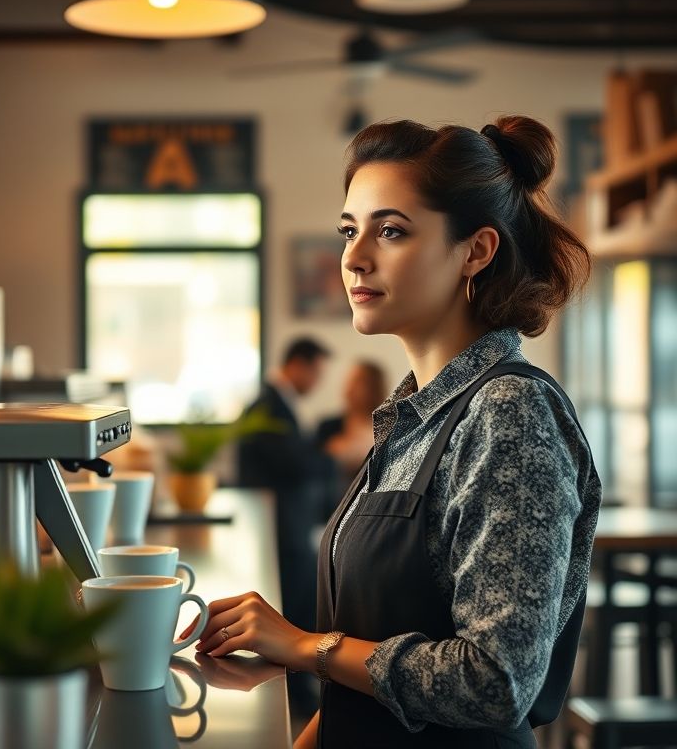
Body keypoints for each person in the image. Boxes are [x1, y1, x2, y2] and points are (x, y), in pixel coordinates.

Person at [181, 116, 602, 748]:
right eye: (349, 231)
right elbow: (375, 659)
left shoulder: (508, 413)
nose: (353, 257)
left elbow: (499, 682)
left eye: (392, 231)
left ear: (476, 251)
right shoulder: (414, 417)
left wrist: (303, 648)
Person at [236, 336, 332, 715]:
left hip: (287, 525)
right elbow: (292, 464)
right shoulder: (268, 406)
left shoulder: (276, 404)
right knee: (291, 608)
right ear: (299, 365)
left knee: (296, 606)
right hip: (281, 529)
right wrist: (331, 456)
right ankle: (297, 696)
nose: (318, 382)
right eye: (317, 373)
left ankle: (300, 692)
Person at [316, 360, 387, 510]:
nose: (349, 388)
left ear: (374, 387)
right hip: (330, 509)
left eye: (357, 382)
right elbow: (314, 464)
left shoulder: (387, 427)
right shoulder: (328, 426)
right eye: (348, 381)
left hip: (370, 509)